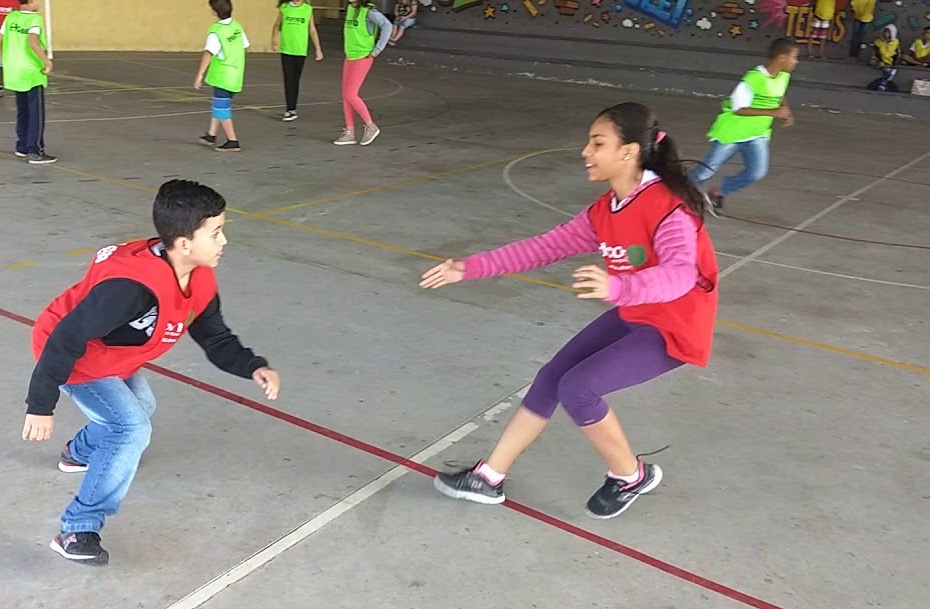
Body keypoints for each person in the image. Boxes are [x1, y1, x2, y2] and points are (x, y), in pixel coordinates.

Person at [420, 102, 719, 520]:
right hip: (637, 313)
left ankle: (630, 475)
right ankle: (488, 478)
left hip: (673, 327)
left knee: (578, 387)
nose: (586, 151)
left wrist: (619, 286)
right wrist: (468, 267)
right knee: (551, 378)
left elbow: (680, 275)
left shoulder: (670, 208)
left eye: (598, 143)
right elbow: (544, 247)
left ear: (629, 152)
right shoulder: (605, 210)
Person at [23, 179, 281, 564]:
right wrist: (41, 404)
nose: (224, 241)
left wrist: (253, 366)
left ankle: (78, 453)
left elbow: (214, 336)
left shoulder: (198, 277)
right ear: (183, 243)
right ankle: (76, 530)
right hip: (73, 357)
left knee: (141, 404)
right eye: (216, 233)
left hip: (114, 356)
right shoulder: (131, 288)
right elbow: (67, 337)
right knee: (130, 429)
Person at [689, 37, 798, 217]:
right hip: (733, 133)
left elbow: (779, 94)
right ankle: (675, 195)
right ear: (781, 57)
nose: (796, 62)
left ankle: (718, 194)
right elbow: (739, 109)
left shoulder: (783, 77)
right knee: (706, 170)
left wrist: (786, 111)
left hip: (757, 134)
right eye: (794, 57)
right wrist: (774, 112)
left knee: (756, 172)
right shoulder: (753, 78)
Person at [0, 0, 55, 163]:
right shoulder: (35, 19)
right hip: (30, 72)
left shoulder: (11, 17)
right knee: (36, 113)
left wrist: (5, 61)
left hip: (14, 71)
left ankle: (21, 146)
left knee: (22, 110)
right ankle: (35, 151)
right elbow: (32, 42)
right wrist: (46, 62)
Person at [334, 0, 392, 146]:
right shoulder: (350, 8)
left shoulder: (369, 11)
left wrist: (377, 49)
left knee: (350, 94)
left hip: (363, 57)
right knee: (346, 95)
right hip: (350, 56)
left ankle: (371, 126)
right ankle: (349, 132)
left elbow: (387, 25)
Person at [195, 0, 248, 152]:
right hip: (236, 74)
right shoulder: (237, 26)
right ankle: (211, 135)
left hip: (223, 75)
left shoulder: (216, 31)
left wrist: (199, 75)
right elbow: (245, 45)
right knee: (220, 104)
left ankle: (233, 140)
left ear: (214, 11)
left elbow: (208, 53)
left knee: (221, 108)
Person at [271, 0, 324, 122]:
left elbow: (312, 30)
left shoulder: (307, 9)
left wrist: (318, 49)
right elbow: (277, 24)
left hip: (300, 50)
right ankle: (290, 109)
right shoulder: (284, 8)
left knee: (295, 79)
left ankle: (292, 107)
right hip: (287, 50)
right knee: (289, 79)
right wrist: (274, 39)